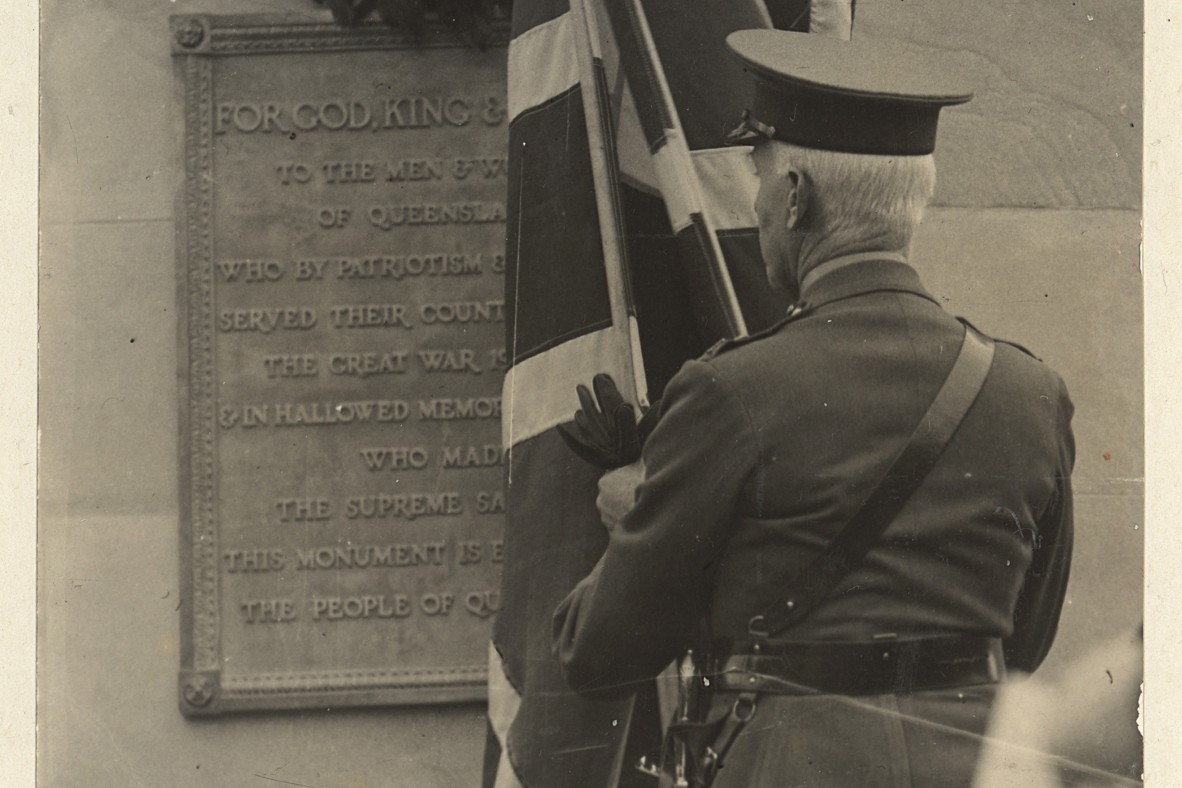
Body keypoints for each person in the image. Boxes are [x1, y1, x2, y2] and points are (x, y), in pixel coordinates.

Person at [551, 29, 1075, 787]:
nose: (759, 202)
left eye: (760, 178)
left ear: (796, 197)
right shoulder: (1032, 393)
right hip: (979, 763)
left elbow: (596, 651)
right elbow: (1025, 639)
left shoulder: (730, 390)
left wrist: (638, 508)